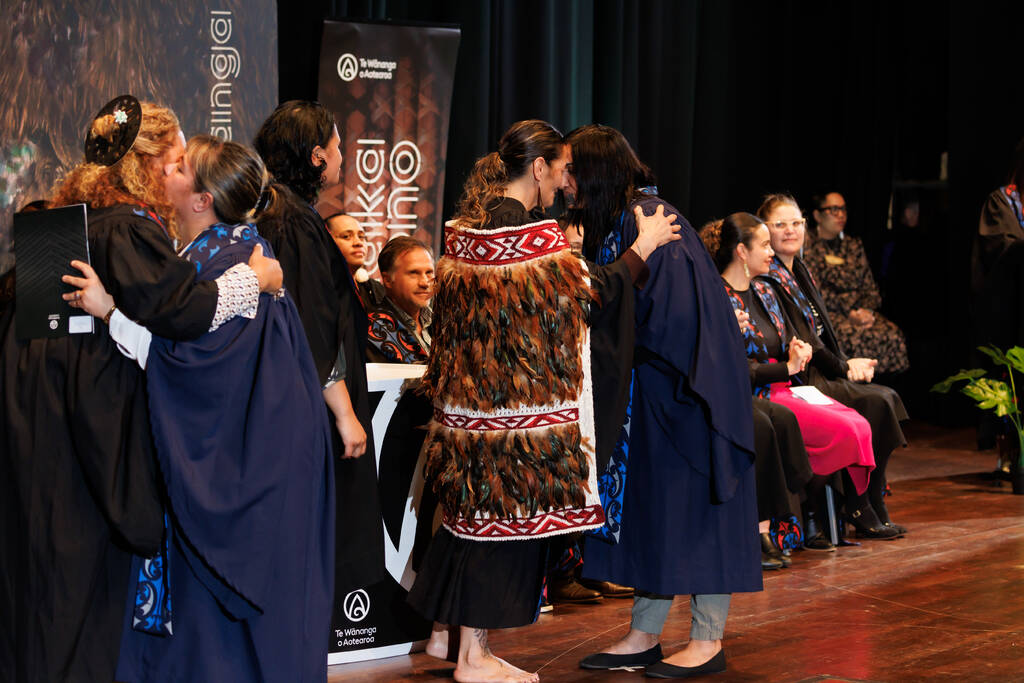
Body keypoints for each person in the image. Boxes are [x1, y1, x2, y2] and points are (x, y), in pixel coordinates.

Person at [0, 96, 282, 683]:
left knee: (35, 577)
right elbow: (184, 311)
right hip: (85, 431)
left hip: (30, 421)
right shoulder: (128, 230)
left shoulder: (60, 219)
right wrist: (251, 278)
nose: (182, 172)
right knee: (83, 583)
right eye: (176, 159)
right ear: (147, 163)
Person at [407, 119, 681, 683]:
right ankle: (473, 658)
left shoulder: (468, 227)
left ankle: (446, 640)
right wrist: (643, 247)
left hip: (467, 413)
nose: (563, 183)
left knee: (467, 523)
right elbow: (590, 295)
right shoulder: (534, 237)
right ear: (538, 168)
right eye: (560, 170)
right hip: (512, 420)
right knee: (497, 532)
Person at [66, 136, 334, 682]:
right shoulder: (210, 256)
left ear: (202, 199)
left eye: (181, 168)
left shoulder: (233, 260)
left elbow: (188, 367)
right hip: (236, 456)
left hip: (243, 472)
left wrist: (110, 312)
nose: (168, 171)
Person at [568, 125, 759, 679]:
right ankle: (644, 634)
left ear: (596, 172)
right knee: (656, 517)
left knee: (697, 512)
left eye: (574, 172)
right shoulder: (625, 224)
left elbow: (670, 320)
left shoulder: (651, 219)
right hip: (647, 395)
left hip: (683, 392)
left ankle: (707, 638)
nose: (567, 184)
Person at [253, 100, 385, 597]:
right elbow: (311, 325)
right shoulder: (294, 221)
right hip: (306, 408)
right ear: (314, 156)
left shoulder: (276, 211)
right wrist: (346, 413)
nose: (342, 156)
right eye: (335, 146)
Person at [701, 213, 877, 554]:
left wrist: (797, 351)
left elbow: (788, 342)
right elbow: (739, 369)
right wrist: (787, 367)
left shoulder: (766, 291)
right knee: (842, 430)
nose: (771, 252)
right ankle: (803, 509)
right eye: (765, 244)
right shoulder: (718, 297)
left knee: (858, 424)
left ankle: (814, 507)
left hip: (786, 386)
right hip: (756, 390)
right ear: (741, 251)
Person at [758, 193, 908, 538]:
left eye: (796, 223)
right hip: (801, 378)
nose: (790, 231)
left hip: (821, 369)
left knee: (888, 398)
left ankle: (872, 495)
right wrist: (844, 367)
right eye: (780, 225)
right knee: (878, 401)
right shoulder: (768, 278)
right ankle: (860, 503)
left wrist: (846, 364)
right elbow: (803, 341)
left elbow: (820, 331)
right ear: (764, 230)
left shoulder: (800, 269)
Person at [803, 191, 909, 373]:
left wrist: (865, 312)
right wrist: (849, 312)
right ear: (817, 215)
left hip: (861, 313)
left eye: (843, 209)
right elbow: (815, 292)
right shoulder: (808, 246)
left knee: (893, 335)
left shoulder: (853, 245)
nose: (841, 215)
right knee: (849, 338)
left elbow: (870, 289)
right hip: (829, 314)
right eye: (833, 209)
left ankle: (885, 391)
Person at [360, 235, 434, 363]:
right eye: (414, 273)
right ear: (387, 280)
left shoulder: (443, 322)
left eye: (429, 272)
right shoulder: (371, 330)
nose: (425, 283)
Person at [326, 212, 370, 282]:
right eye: (346, 236)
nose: (358, 243)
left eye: (361, 236)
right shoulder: (316, 288)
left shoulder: (373, 289)